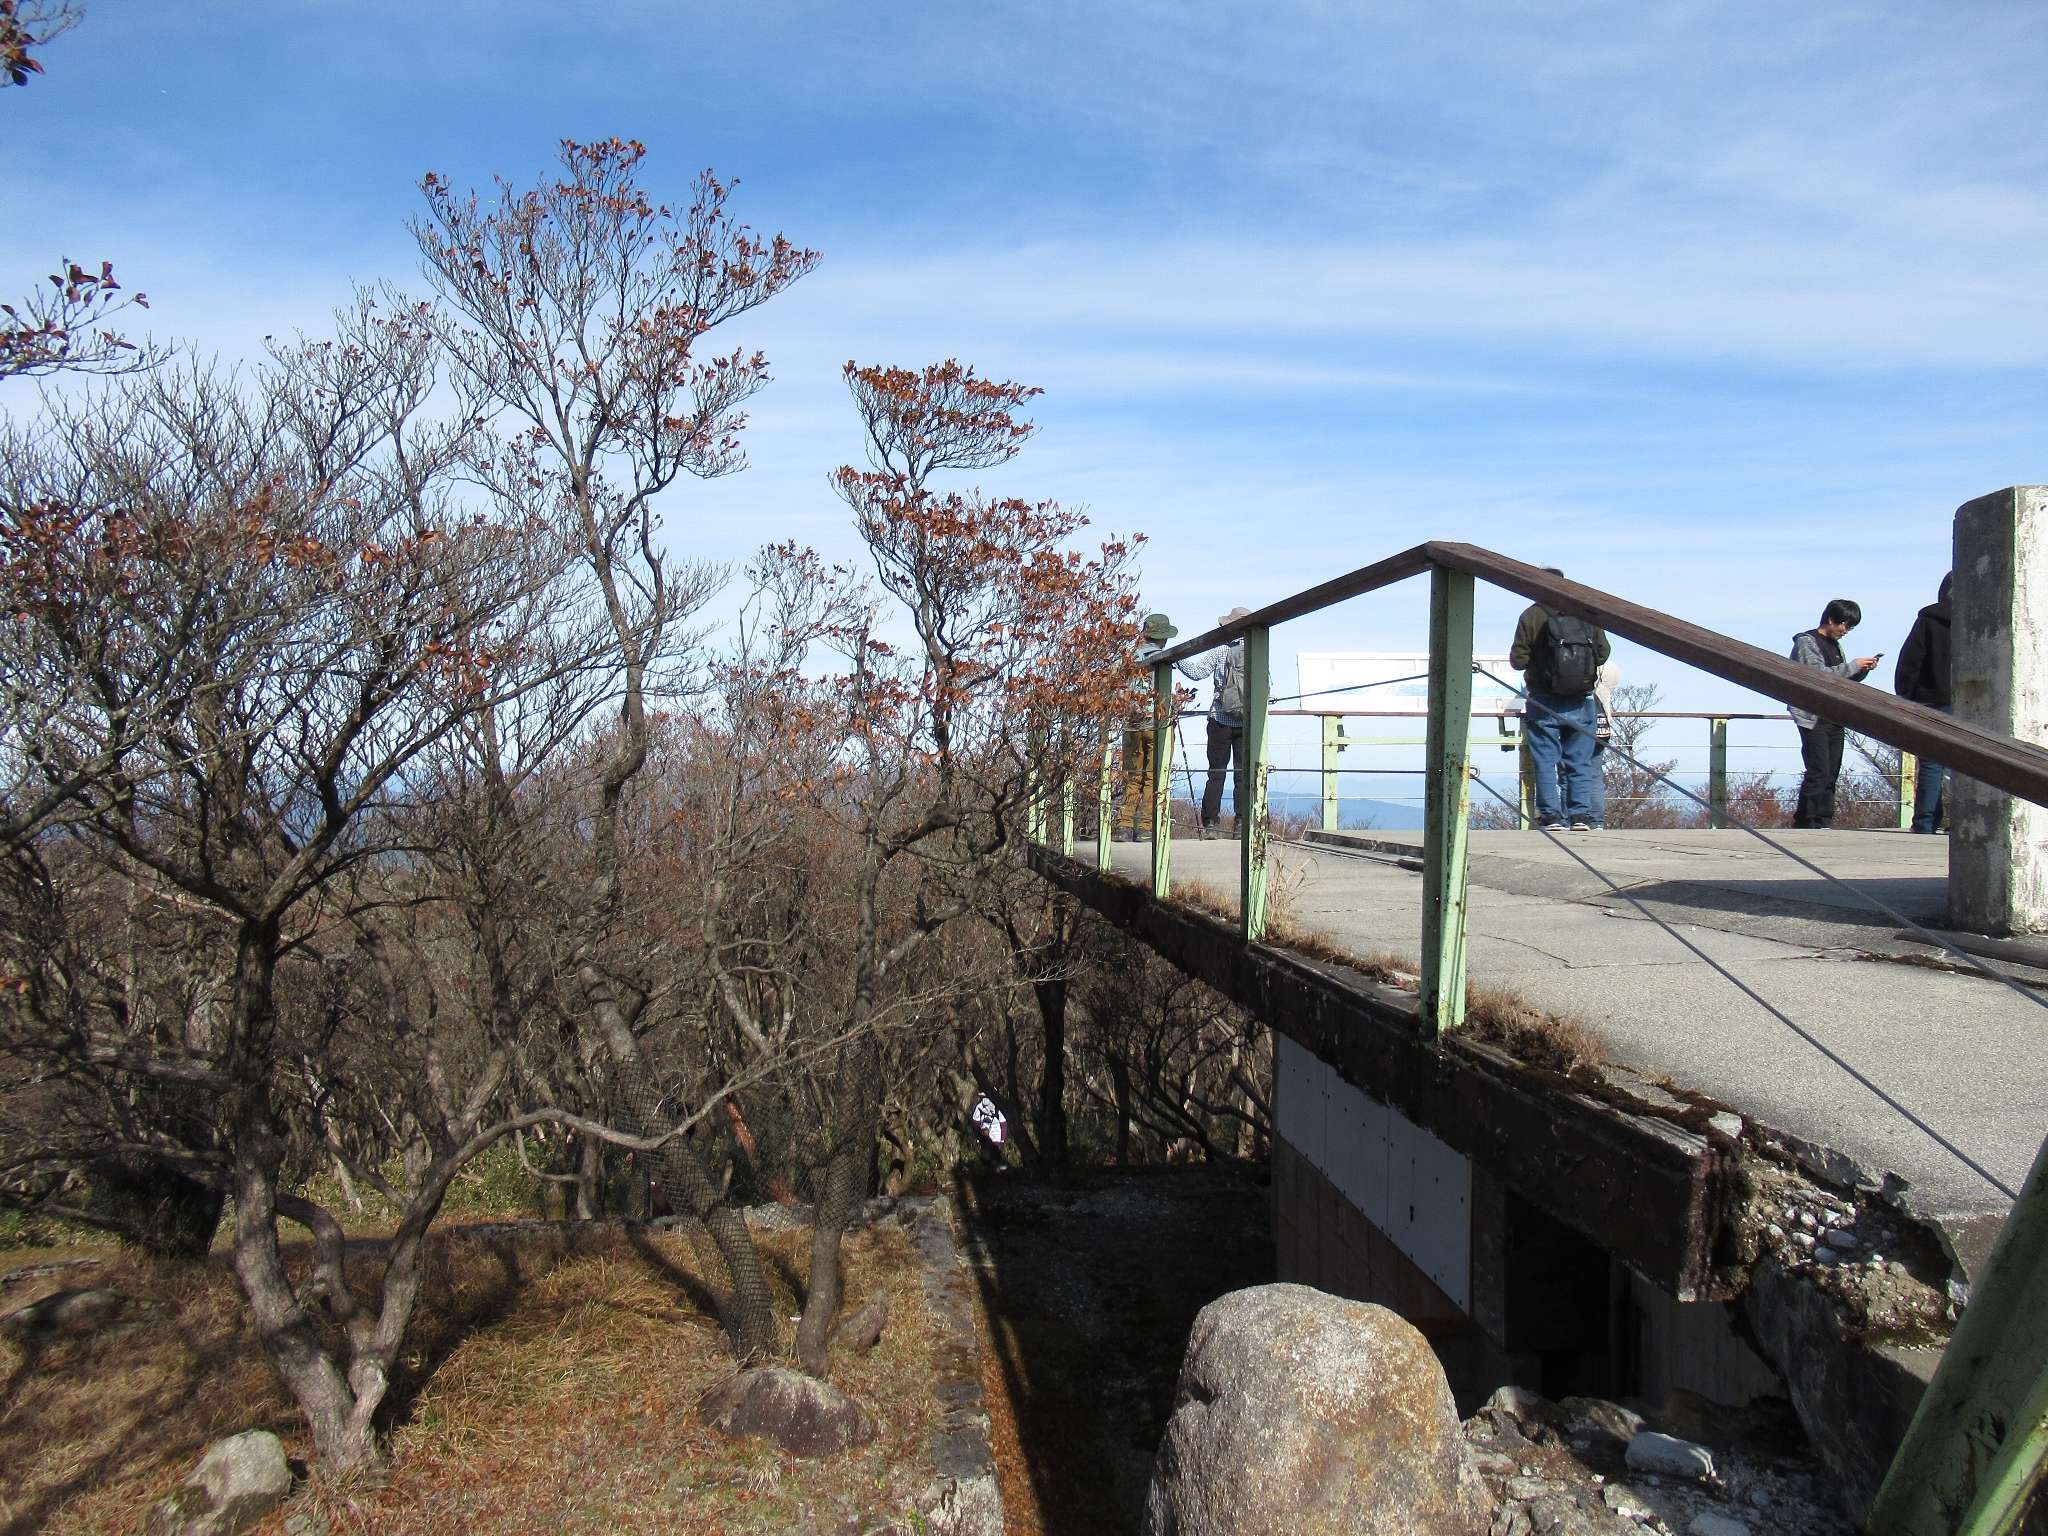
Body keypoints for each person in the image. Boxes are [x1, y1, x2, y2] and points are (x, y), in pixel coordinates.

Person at [1509, 572, 1611, 831]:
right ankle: (1580, 816)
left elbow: (1517, 660)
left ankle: (1551, 816)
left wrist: (1540, 662)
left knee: (1545, 760)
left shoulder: (1531, 615)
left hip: (1543, 700)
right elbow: (1602, 654)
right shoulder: (1585, 614)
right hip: (1580, 699)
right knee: (1579, 761)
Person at [1789, 599, 1880, 829]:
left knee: (1831, 771)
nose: (1845, 632)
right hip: (1813, 715)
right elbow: (1818, 676)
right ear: (1831, 620)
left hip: (1834, 715)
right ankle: (1807, 820)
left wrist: (1861, 670)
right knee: (1818, 769)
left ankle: (1823, 818)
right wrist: (1853, 666)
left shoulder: (1834, 644)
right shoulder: (1807, 642)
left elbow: (1840, 679)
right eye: (1845, 626)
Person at [1177, 607, 1252, 836]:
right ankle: (1242, 823)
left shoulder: (1221, 651)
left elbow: (1197, 672)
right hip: (1247, 720)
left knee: (1216, 772)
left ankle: (1211, 823)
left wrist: (1177, 659)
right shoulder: (1255, 649)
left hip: (1220, 719)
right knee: (1244, 773)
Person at [1893, 573, 1953, 834]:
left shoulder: (1929, 620)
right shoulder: (1980, 619)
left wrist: (1905, 693)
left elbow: (1911, 660)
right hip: (1968, 703)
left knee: (1931, 763)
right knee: (1971, 764)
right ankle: (1968, 821)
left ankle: (1926, 823)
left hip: (1930, 701)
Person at [1117, 613, 1178, 839]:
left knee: (1132, 775)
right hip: (1157, 723)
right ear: (1162, 637)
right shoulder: (1166, 655)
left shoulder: (1127, 657)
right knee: (1154, 775)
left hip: (1132, 723)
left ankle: (1123, 825)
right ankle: (1145, 827)